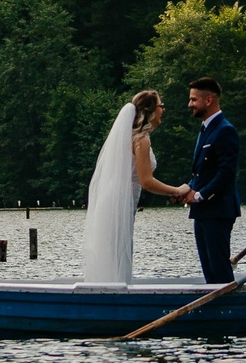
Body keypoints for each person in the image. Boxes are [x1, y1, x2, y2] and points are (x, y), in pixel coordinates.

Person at [78, 88, 188, 284]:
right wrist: (177, 190)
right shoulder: (141, 140)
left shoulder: (133, 137)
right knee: (119, 249)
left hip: (115, 199)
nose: (163, 110)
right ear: (150, 110)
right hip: (120, 202)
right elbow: (146, 181)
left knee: (115, 251)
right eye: (161, 106)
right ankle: (117, 288)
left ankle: (111, 286)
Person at [170, 76, 241, 283]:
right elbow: (200, 173)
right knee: (209, 270)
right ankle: (216, 310)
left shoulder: (225, 130)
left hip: (218, 210)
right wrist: (186, 191)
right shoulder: (205, 129)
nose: (189, 104)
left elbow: (226, 174)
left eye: (193, 100)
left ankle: (228, 310)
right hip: (202, 211)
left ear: (208, 100)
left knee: (219, 270)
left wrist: (199, 195)